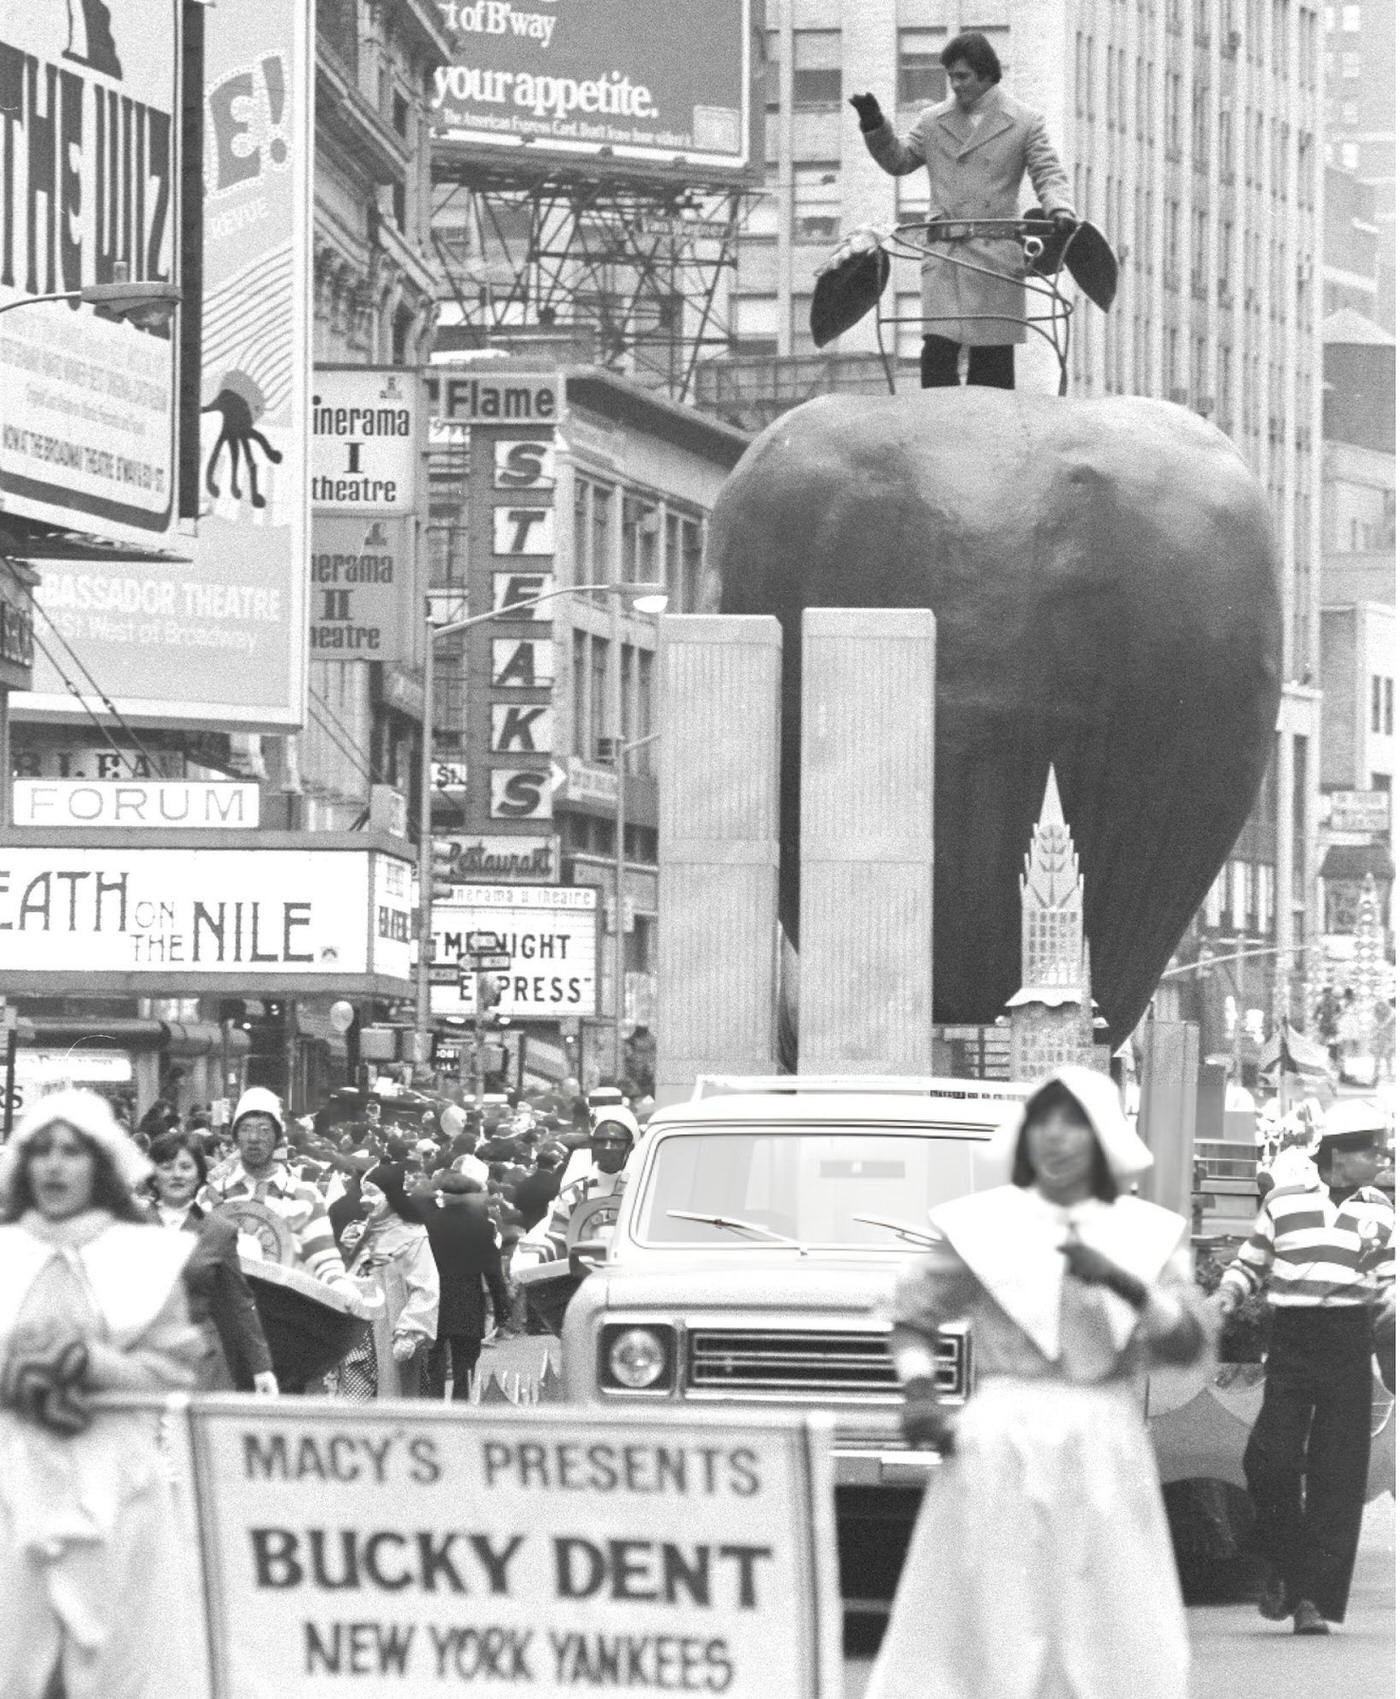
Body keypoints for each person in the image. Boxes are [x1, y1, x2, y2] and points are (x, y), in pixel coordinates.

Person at [867, 1066, 1211, 1699]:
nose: (1056, 1138)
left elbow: (1186, 1342)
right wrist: (919, 1395)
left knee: (1108, 1603)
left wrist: (1121, 1279)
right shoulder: (981, 1224)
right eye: (1044, 1122)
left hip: (1102, 1434)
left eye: (1074, 1123)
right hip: (1002, 1431)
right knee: (992, 1598)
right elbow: (910, 1318)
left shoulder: (1143, 1230)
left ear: (1102, 1136)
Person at [0, 1089, 204, 1697]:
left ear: (99, 1165)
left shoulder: (145, 1258)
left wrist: (89, 1364)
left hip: (114, 1479)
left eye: (70, 1152)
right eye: (42, 1152)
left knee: (113, 1654)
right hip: (16, 1473)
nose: (55, 1167)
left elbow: (172, 1369)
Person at [1213, 1098, 1395, 1634]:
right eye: (1372, 1150)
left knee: (1339, 1472)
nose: (1382, 1159)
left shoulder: (1381, 1211)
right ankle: (1287, 1570)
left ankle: (1313, 1600)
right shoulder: (1284, 1202)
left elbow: (1390, 1276)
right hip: (1291, 1339)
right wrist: (1225, 1296)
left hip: (1348, 1339)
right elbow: (1251, 1263)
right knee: (1269, 1460)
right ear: (1340, 1154)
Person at [850, 30, 1076, 390]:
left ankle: (993, 442)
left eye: (963, 76)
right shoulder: (933, 120)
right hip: (945, 259)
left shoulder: (1024, 121)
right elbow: (900, 160)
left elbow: (1048, 172)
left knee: (993, 371)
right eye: (951, 76)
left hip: (995, 261)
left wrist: (1059, 209)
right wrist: (874, 124)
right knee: (937, 356)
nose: (954, 85)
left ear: (987, 75)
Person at [148, 1128, 278, 1394]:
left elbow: (239, 1303)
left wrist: (262, 1368)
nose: (176, 1175)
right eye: (166, 1166)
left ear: (199, 1175)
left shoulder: (219, 1231)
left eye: (185, 1167)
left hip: (201, 1362)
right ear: (153, 1175)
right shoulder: (128, 1225)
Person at [200, 1086, 359, 1302]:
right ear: (235, 1137)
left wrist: (342, 1289)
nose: (254, 1138)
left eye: (264, 1130)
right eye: (245, 1129)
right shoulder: (210, 1195)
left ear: (277, 1137)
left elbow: (326, 1264)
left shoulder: (305, 1196)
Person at [327, 1162, 438, 1400]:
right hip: (360, 1332)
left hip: (392, 1329)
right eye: (364, 1192)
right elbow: (352, 1276)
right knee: (356, 1403)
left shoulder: (412, 1234)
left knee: (394, 1400)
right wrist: (347, 1253)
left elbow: (426, 1285)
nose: (364, 1200)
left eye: (372, 1193)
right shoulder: (360, 1231)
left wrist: (411, 1330)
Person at [511, 1106, 638, 1276]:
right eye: (601, 1141)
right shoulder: (574, 1194)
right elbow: (557, 1237)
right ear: (592, 1145)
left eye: (616, 1142)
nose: (607, 1148)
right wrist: (534, 1259)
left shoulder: (641, 1192)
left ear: (630, 1147)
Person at [418, 1171, 510, 1400]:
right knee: (466, 1364)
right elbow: (493, 1273)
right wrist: (502, 1310)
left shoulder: (428, 1224)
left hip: (434, 1301)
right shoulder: (482, 1227)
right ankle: (461, 1409)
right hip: (468, 1303)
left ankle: (433, 1407)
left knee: (434, 1362)